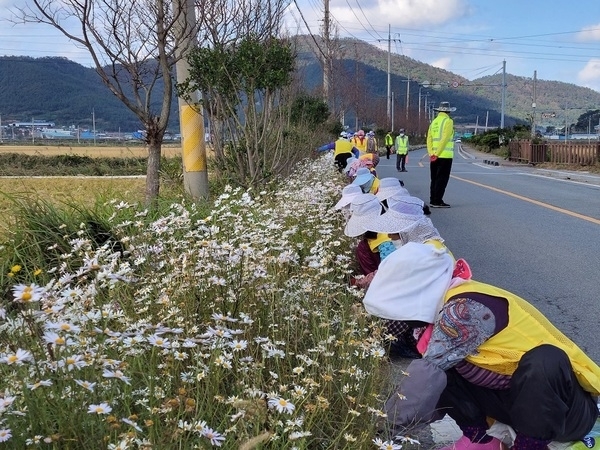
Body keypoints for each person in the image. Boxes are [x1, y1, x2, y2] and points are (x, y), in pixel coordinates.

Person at [363, 242, 600, 450]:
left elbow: (421, 381)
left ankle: (529, 446)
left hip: (567, 413)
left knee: (546, 360)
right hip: (514, 405)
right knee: (442, 367)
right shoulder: (438, 312)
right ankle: (480, 440)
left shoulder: (464, 309)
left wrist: (381, 431)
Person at [427, 101, 456, 208]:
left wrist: (432, 153)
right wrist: (438, 153)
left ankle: (433, 199)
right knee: (442, 179)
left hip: (433, 156)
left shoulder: (434, 122)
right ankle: (437, 201)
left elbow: (429, 139)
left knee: (434, 178)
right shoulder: (448, 121)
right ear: (448, 111)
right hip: (444, 156)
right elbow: (445, 138)